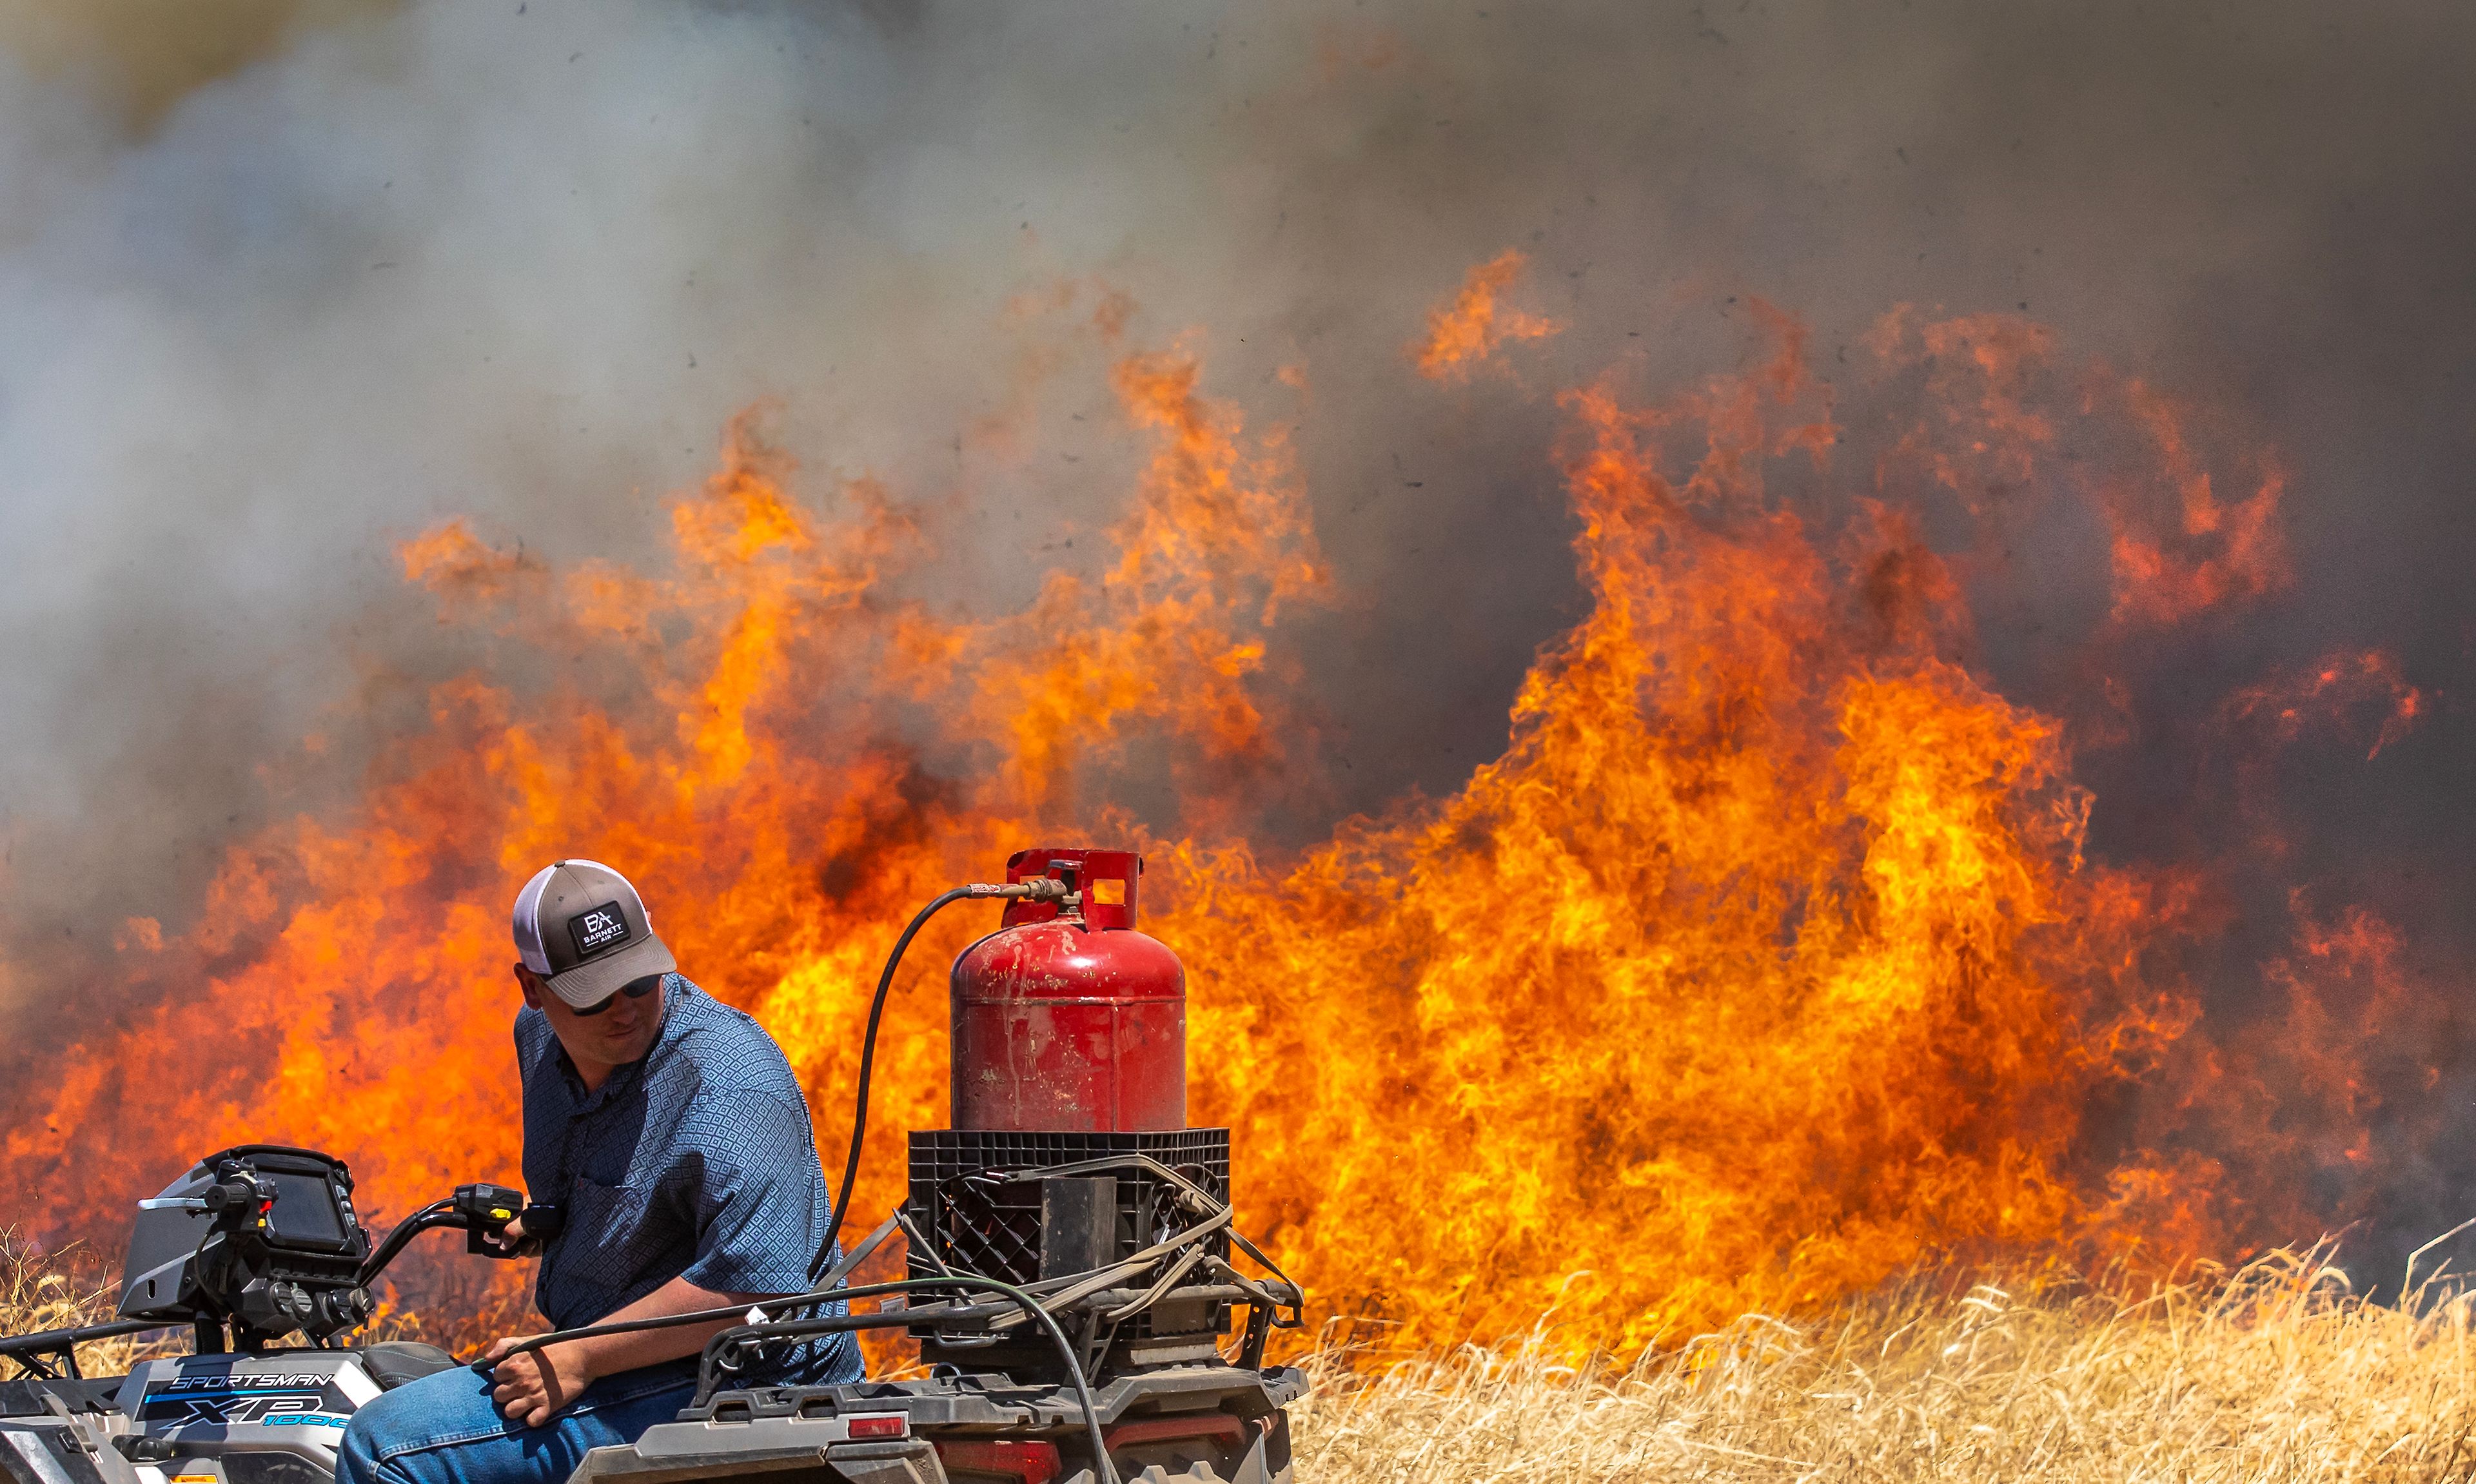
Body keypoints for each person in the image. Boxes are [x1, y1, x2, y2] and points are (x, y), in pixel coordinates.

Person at [338, 859, 862, 1484]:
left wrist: (579, 1353)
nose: (624, 1010)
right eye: (595, 995)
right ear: (534, 988)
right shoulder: (538, 1034)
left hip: (746, 1375)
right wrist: (551, 1225)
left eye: (639, 982)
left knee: (385, 1444)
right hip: (635, 1355)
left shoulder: (731, 1087)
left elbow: (756, 1290)